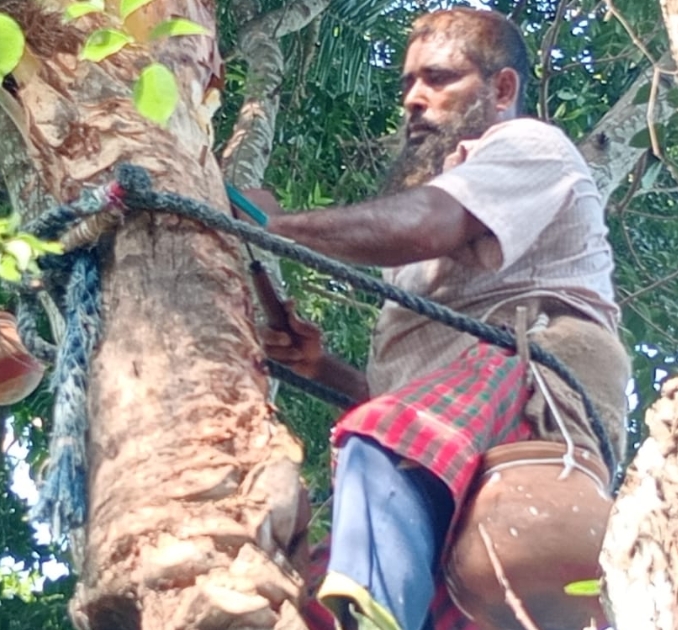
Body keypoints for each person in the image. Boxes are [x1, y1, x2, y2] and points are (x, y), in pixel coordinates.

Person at [242, 8, 631, 630]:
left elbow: (429, 223)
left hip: (537, 375)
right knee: (309, 587)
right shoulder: (435, 229)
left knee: (381, 440)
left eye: (440, 78)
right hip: (464, 437)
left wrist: (274, 225)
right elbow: (416, 413)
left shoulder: (527, 146)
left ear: (502, 89)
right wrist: (324, 368)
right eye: (407, 85)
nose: (415, 99)